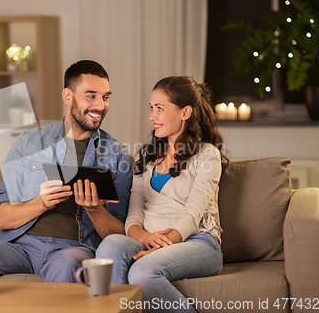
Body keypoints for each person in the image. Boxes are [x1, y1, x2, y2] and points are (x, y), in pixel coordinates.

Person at [0, 60, 134, 301]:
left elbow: (118, 234)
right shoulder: (28, 143)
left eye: (106, 97)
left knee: (66, 267)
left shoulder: (118, 155)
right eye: (91, 96)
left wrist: (94, 209)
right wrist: (42, 203)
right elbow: (1, 218)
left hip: (73, 248)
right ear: (68, 96)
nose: (100, 105)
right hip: (19, 246)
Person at [96, 76, 228, 313]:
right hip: (149, 239)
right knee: (109, 246)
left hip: (198, 242)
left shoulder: (207, 155)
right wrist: (144, 237)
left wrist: (164, 245)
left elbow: (193, 212)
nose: (151, 116)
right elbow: (135, 211)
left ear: (185, 112)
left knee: (142, 272)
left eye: (159, 108)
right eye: (151, 108)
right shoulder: (146, 156)